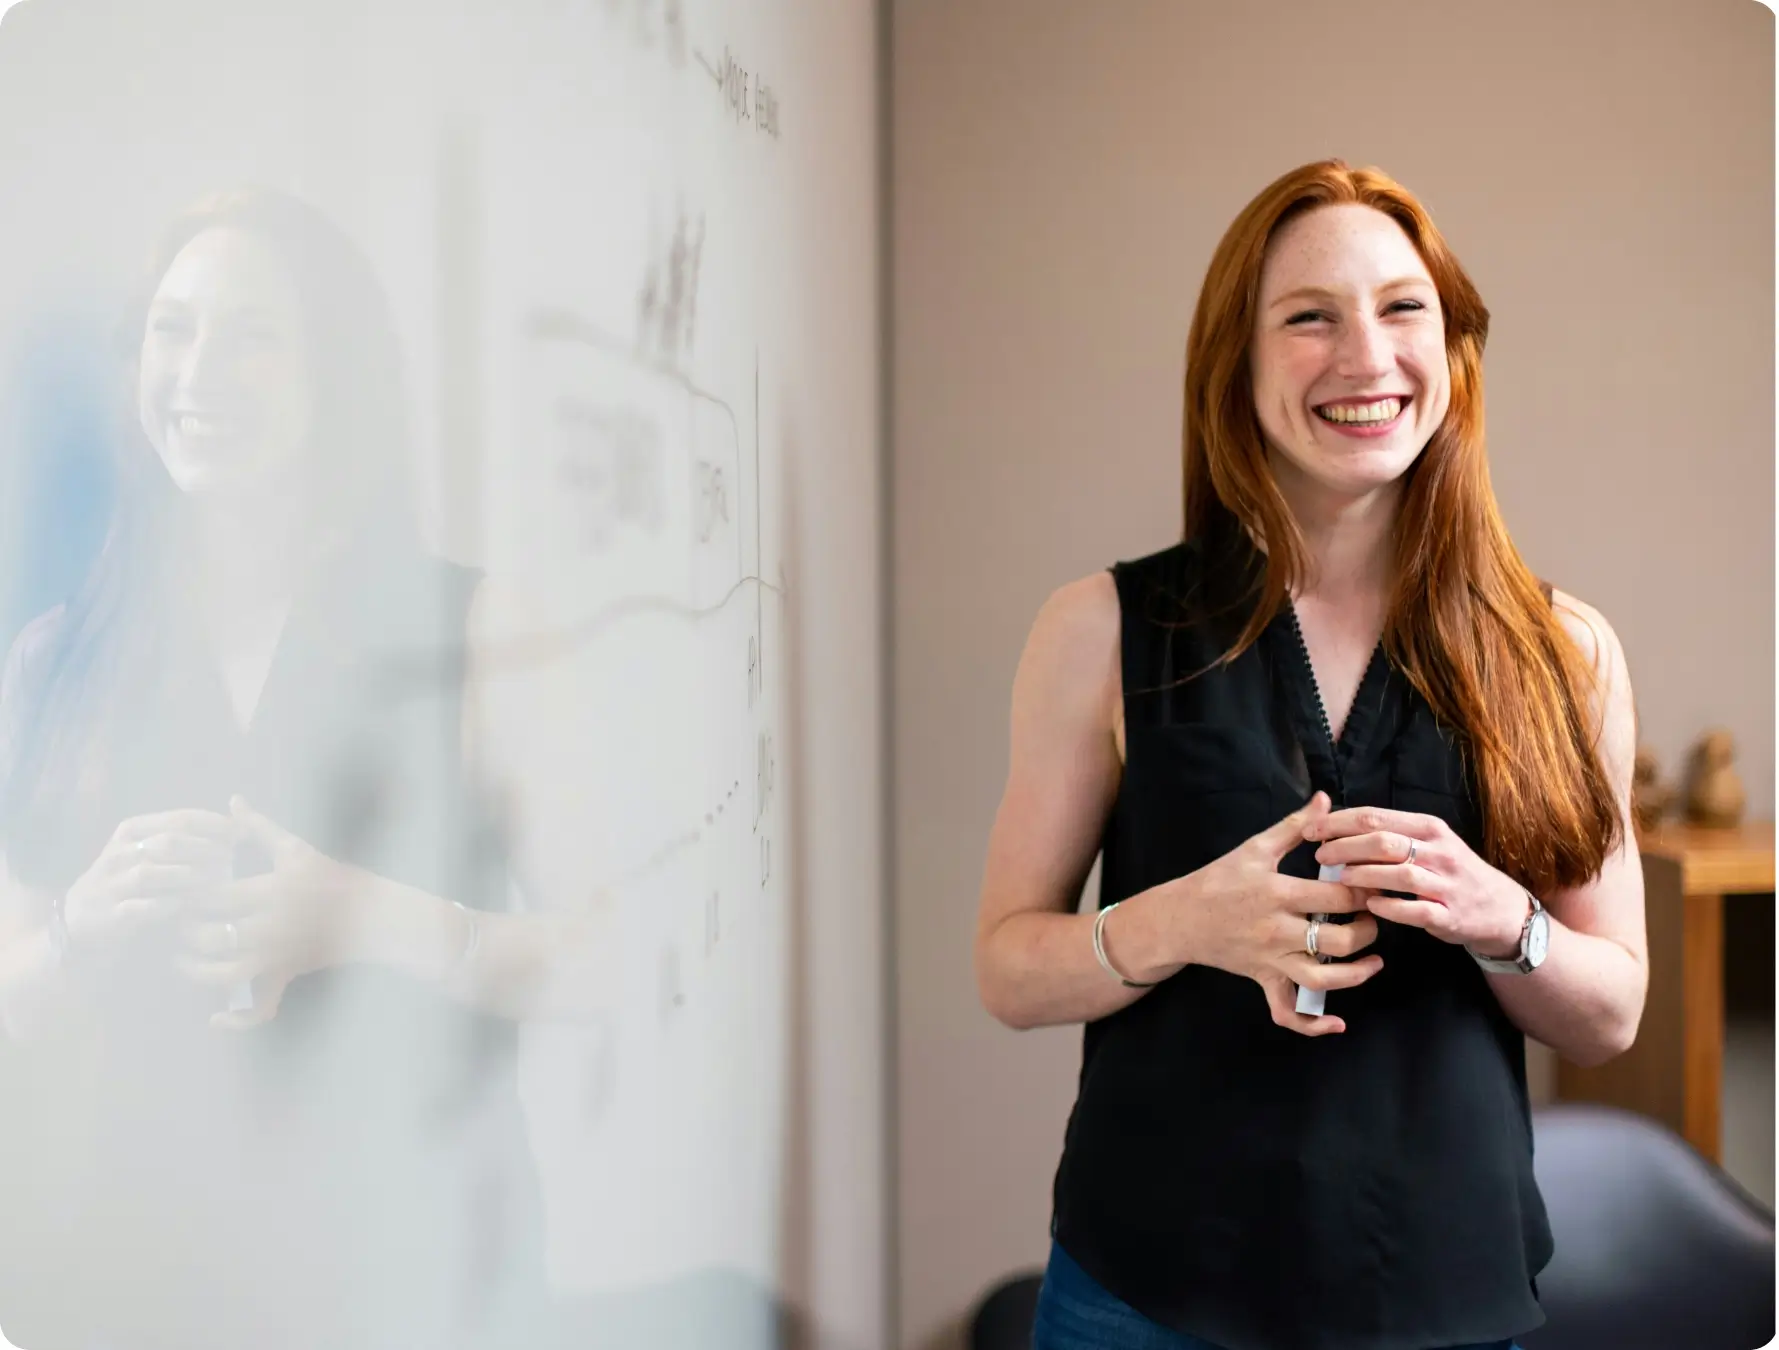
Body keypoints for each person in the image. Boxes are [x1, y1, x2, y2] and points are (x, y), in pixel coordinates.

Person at [974, 160, 1647, 1350]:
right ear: (1236, 363)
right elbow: (1009, 969)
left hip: (1446, 1300)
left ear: (1454, 347)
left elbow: (1611, 1012)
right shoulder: (1100, 630)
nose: (1366, 356)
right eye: (1309, 318)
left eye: (1402, 309)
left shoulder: (1567, 651)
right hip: (1145, 1299)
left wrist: (1503, 919)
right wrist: (1180, 923)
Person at [0, 187, 608, 1350]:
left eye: (255, 337)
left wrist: (363, 916)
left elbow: (619, 952)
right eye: (173, 331)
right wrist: (84, 920)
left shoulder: (479, 632)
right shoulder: (58, 657)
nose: (199, 373)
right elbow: (12, 989)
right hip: (137, 1272)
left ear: (337, 376)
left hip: (422, 1269)